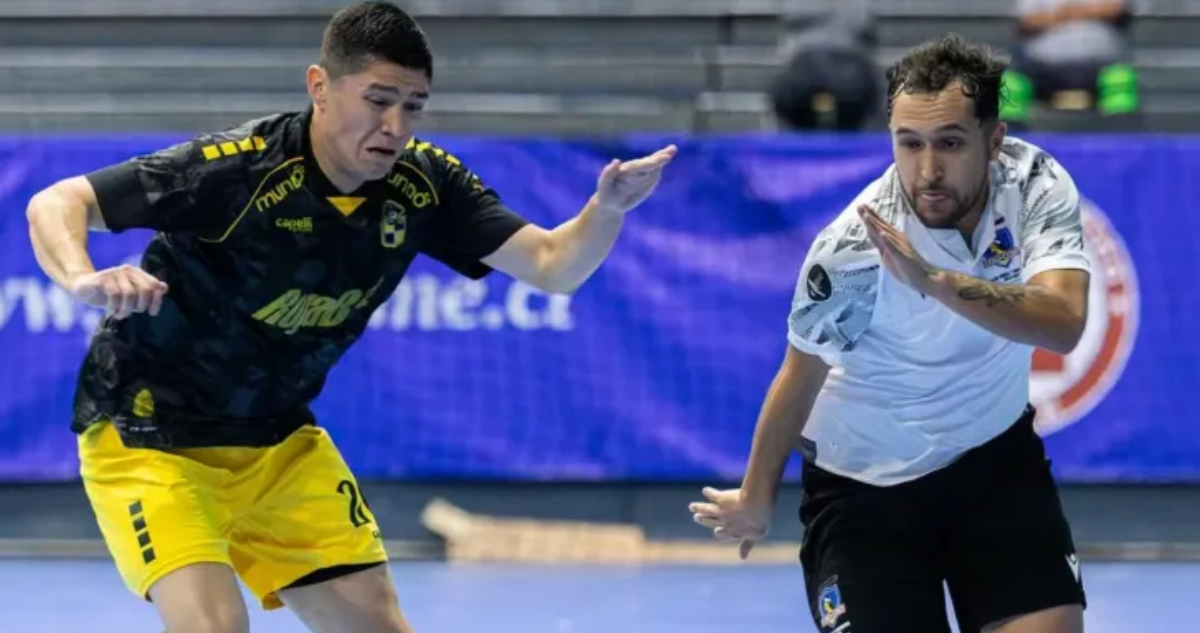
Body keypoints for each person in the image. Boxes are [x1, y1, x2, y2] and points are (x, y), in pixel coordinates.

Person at [25, 3, 675, 632]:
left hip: (277, 444)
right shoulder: (235, 169)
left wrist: (607, 211)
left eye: (413, 106)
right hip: (149, 433)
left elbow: (555, 264)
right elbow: (57, 202)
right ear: (321, 87)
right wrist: (83, 277)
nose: (395, 125)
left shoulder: (423, 186)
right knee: (214, 626)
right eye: (378, 99)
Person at [690, 34, 1088, 633]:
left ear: (994, 140)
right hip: (865, 488)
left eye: (950, 143)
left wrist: (933, 280)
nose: (927, 170)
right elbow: (799, 379)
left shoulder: (1032, 183)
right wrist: (754, 496)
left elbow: (1064, 325)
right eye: (909, 144)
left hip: (994, 461)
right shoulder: (853, 251)